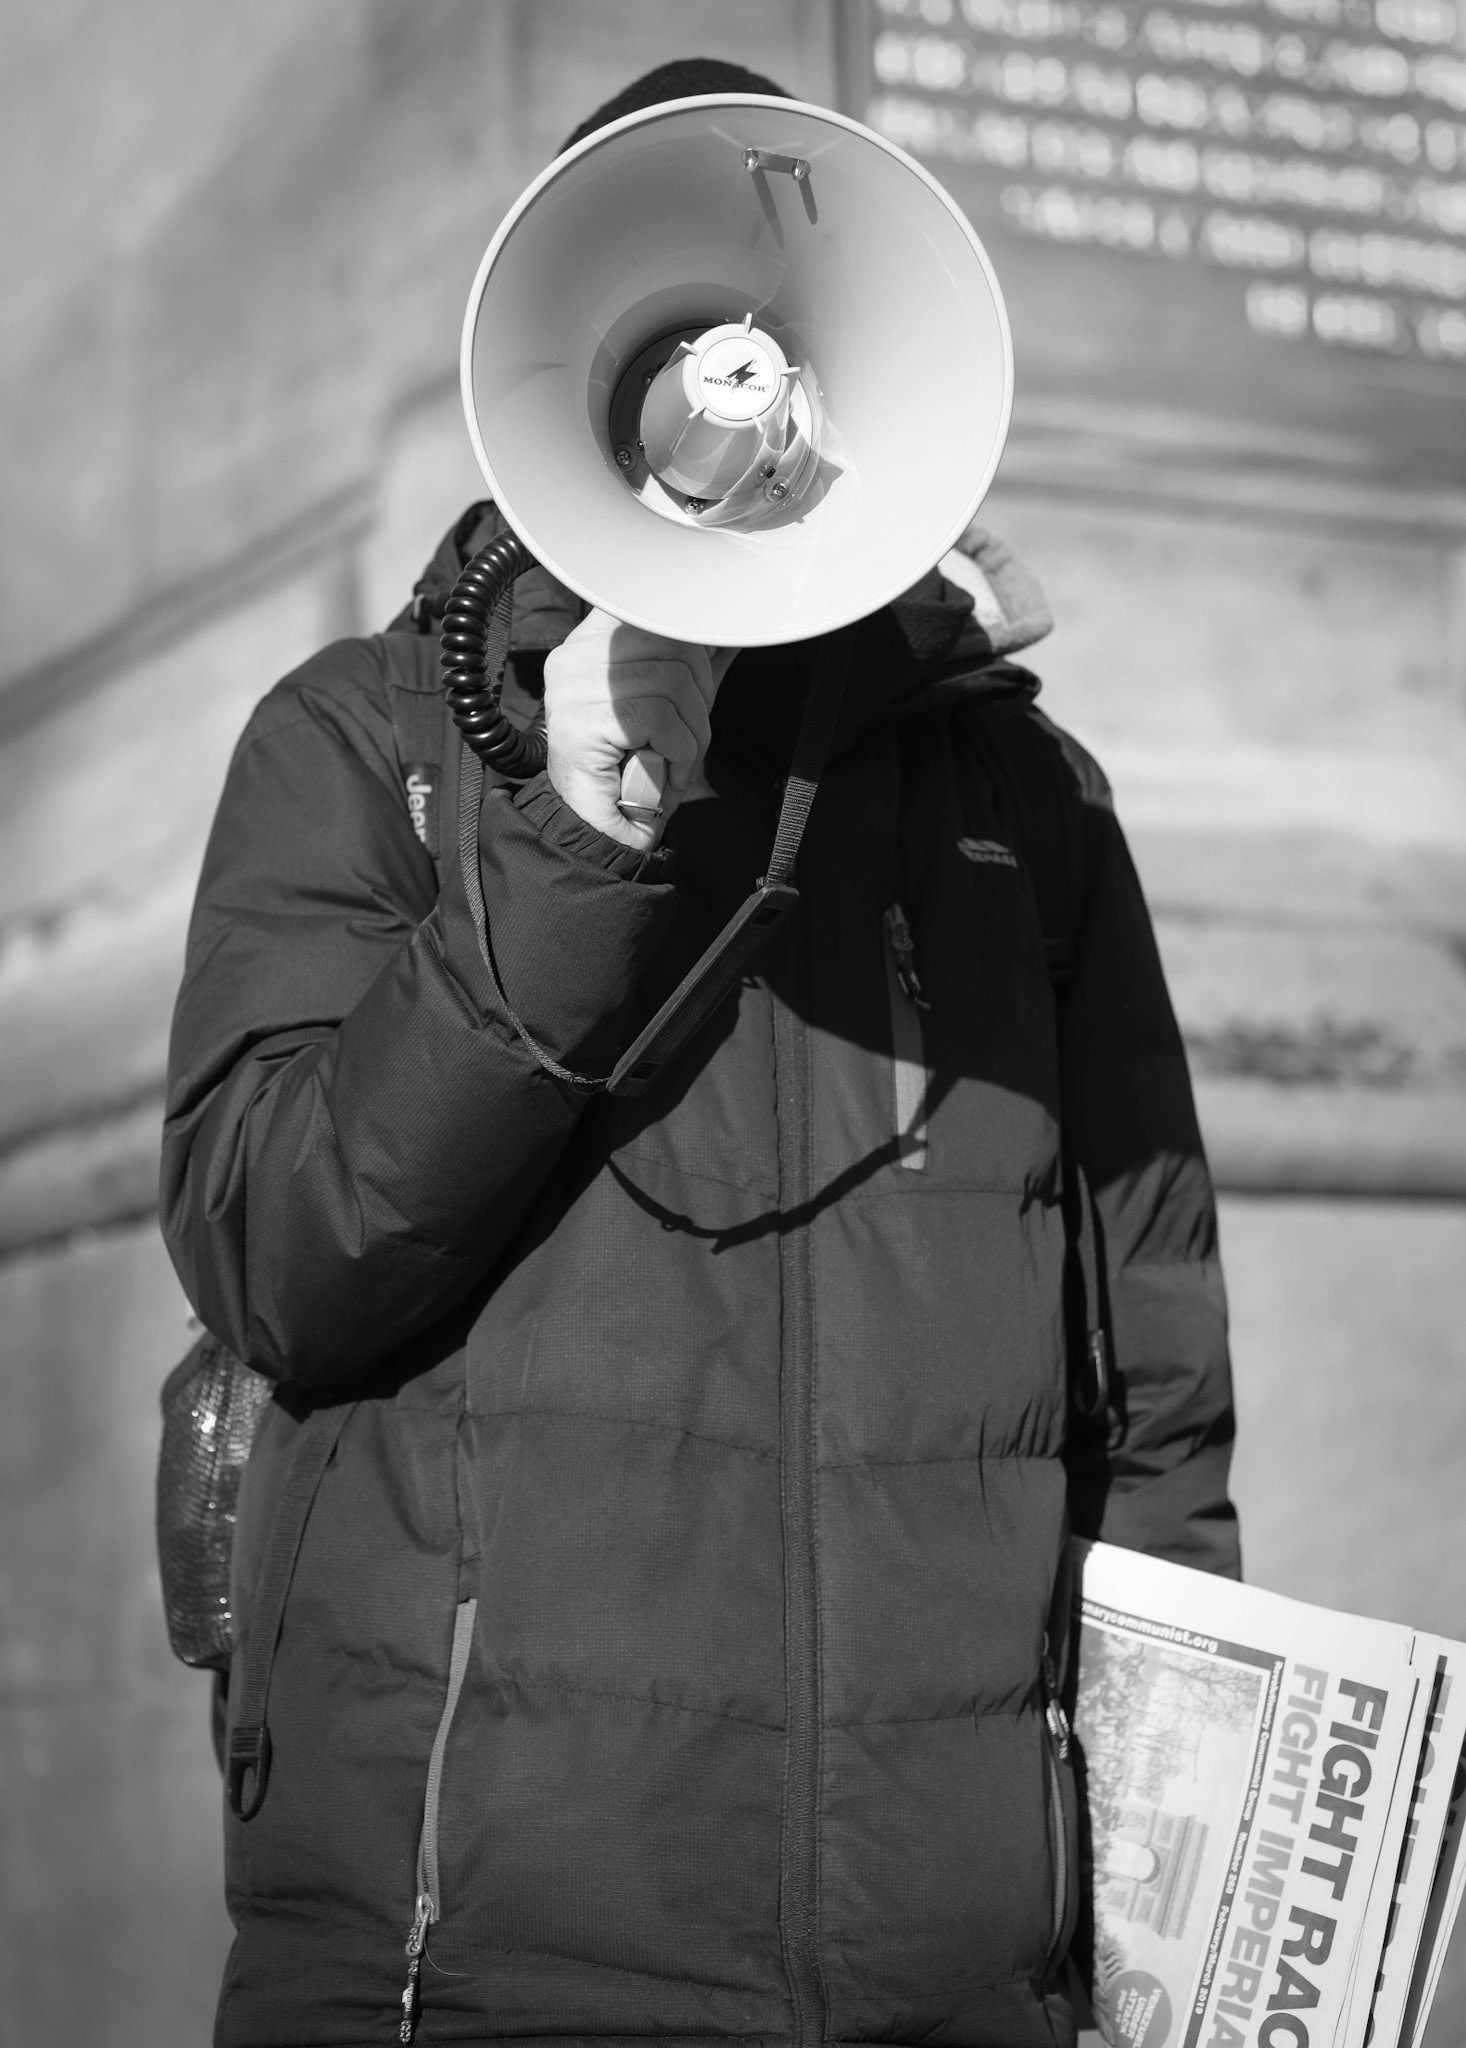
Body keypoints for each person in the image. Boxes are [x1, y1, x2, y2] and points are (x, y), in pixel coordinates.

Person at [161, 56, 1240, 2048]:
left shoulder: (1020, 806)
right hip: (476, 1968)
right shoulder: (365, 745)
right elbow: (280, 1257)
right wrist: (577, 845)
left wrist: (1168, 1891)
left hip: (948, 1981)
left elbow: (1149, 1387)